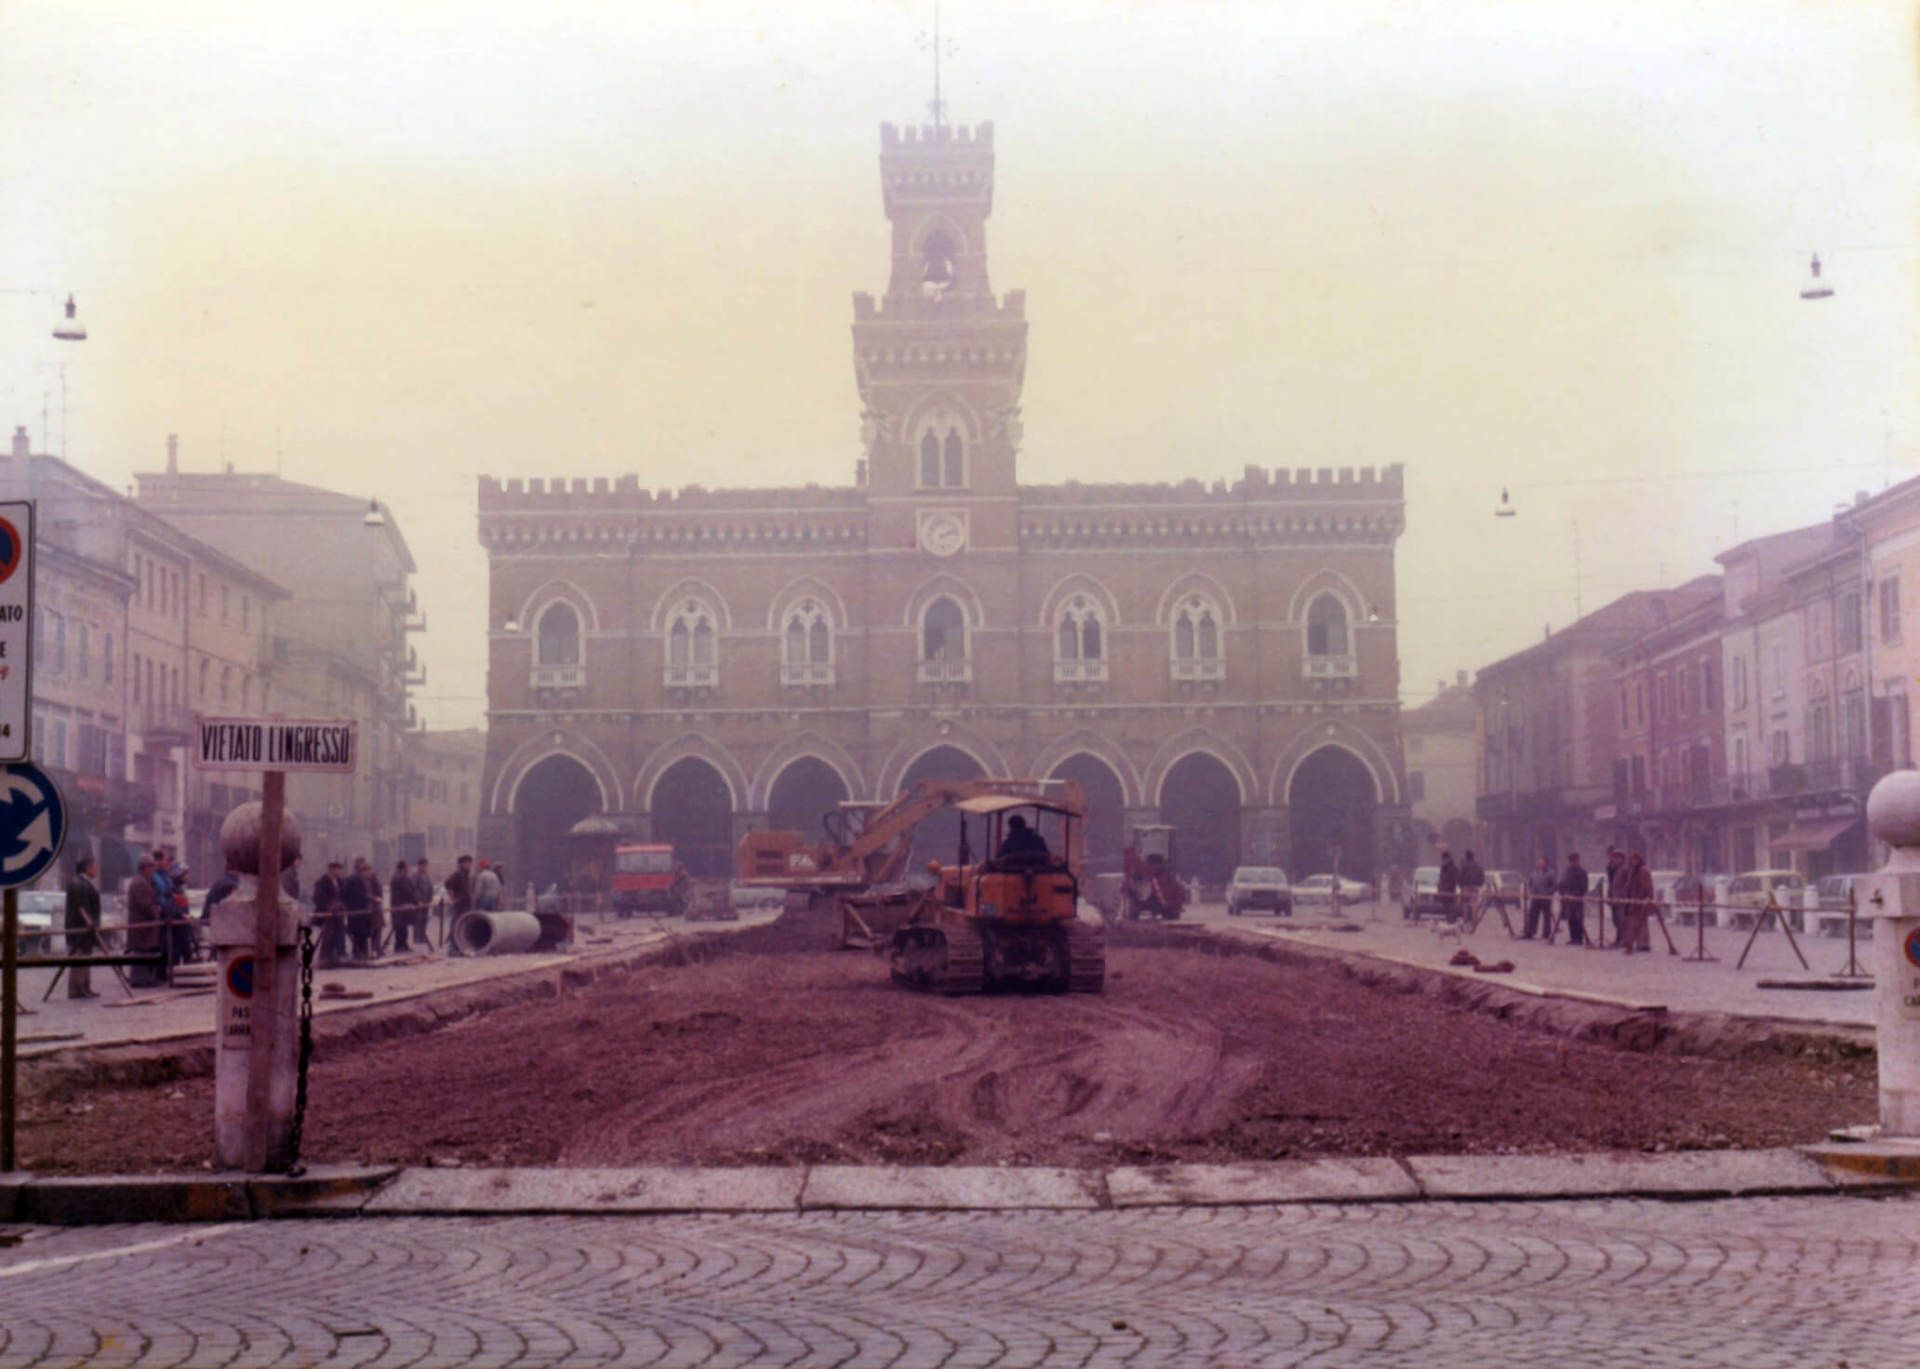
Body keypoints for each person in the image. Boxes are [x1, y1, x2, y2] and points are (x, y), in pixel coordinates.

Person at [64, 856, 102, 999]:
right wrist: (90, 924)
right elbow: (83, 910)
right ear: (88, 868)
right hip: (80, 929)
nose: (96, 870)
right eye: (95, 867)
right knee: (79, 958)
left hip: (82, 929)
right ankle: (77, 989)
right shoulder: (80, 885)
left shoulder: (82, 883)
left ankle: (84, 987)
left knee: (85, 958)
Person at [126, 856, 164, 988]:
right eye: (151, 867)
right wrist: (156, 913)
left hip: (144, 924)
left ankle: (145, 978)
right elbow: (145, 904)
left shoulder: (143, 881)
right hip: (141, 924)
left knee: (145, 951)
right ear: (144, 868)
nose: (153, 869)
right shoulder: (140, 883)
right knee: (141, 951)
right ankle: (139, 980)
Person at [313, 860, 348, 967]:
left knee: (339, 933)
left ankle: (336, 956)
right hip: (328, 913)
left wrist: (342, 905)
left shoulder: (340, 881)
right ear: (331, 870)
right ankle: (324, 958)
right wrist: (327, 907)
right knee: (328, 935)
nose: (339, 872)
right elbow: (317, 897)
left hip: (338, 913)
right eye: (337, 870)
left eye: (340, 870)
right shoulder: (322, 882)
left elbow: (344, 895)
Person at [1622, 851, 1656, 955]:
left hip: (1640, 901)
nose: (1631, 862)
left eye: (1633, 859)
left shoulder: (1642, 871)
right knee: (1635, 922)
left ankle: (1643, 944)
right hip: (1634, 900)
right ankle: (1639, 943)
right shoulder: (1634, 871)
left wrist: (1642, 899)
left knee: (1642, 923)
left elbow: (1646, 887)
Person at [342, 857, 375, 961]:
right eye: (368, 871)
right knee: (358, 933)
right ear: (363, 871)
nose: (369, 874)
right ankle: (358, 953)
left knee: (363, 934)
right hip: (357, 912)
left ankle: (363, 953)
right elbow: (352, 895)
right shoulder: (353, 880)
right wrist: (367, 898)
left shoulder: (365, 881)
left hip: (364, 912)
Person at [1559, 852, 1590, 946]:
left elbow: (1583, 887)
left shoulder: (1582, 872)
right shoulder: (1568, 871)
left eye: (1574, 860)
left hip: (1577, 899)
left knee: (1578, 919)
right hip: (1567, 899)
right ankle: (1573, 938)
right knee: (1570, 919)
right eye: (1571, 861)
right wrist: (1563, 893)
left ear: (1578, 860)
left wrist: (1575, 895)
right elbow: (1562, 883)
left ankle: (1579, 938)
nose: (1572, 863)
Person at [1524, 857, 1556, 941]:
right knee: (1532, 914)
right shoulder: (1534, 873)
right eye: (1539, 862)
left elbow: (1554, 886)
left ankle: (1546, 933)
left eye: (1542, 863)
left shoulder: (1550, 873)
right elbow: (1529, 883)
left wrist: (1548, 893)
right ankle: (1531, 932)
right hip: (1535, 898)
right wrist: (1531, 891)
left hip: (1545, 898)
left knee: (1546, 916)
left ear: (1546, 863)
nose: (1540, 864)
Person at [389, 859, 416, 952]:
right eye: (407, 866)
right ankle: (400, 945)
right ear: (404, 867)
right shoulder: (401, 877)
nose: (409, 868)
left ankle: (403, 944)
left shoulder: (396, 876)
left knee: (402, 926)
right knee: (401, 926)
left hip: (398, 905)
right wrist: (415, 900)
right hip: (401, 905)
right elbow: (407, 891)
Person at [1604, 848, 1629, 947]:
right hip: (1614, 898)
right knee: (1616, 920)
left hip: (1621, 898)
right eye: (1614, 858)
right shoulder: (1615, 869)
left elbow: (1627, 884)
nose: (1615, 860)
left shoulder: (1625, 869)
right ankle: (1619, 939)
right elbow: (1611, 882)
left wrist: (1624, 895)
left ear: (1622, 859)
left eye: (1617, 858)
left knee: (1621, 920)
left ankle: (1623, 940)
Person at [411, 857, 437, 950]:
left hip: (426, 901)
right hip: (419, 902)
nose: (425, 867)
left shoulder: (426, 876)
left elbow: (430, 887)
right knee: (418, 919)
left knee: (424, 919)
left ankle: (422, 937)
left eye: (426, 865)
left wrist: (430, 899)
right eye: (423, 865)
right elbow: (414, 889)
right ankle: (417, 938)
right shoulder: (415, 876)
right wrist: (418, 900)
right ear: (419, 866)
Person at [1458, 849, 1486, 927]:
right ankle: (1474, 921)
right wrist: (1479, 884)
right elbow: (1482, 876)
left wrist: (1460, 885)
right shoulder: (1478, 865)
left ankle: (1465, 921)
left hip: (1465, 887)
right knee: (1474, 905)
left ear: (1466, 856)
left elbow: (1459, 876)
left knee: (1465, 905)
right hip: (1475, 887)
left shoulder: (1463, 865)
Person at [1436, 848, 1460, 922]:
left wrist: (1440, 887)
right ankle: (1450, 920)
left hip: (1447, 890)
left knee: (1449, 907)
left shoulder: (1447, 867)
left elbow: (1444, 879)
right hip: (1447, 890)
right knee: (1449, 907)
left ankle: (1451, 921)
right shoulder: (1449, 867)